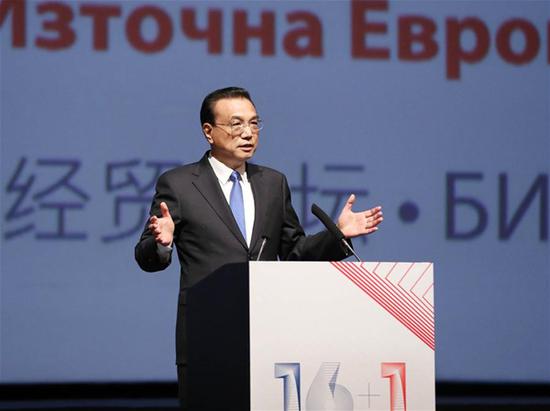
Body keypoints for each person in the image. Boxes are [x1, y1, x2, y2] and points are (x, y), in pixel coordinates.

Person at [135, 87, 383, 409]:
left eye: (254, 124)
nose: (248, 133)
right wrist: (161, 242)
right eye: (236, 124)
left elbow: (294, 251)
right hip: (207, 337)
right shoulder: (180, 184)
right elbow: (146, 257)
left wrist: (337, 235)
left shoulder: (272, 183)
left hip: (271, 336)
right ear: (208, 132)